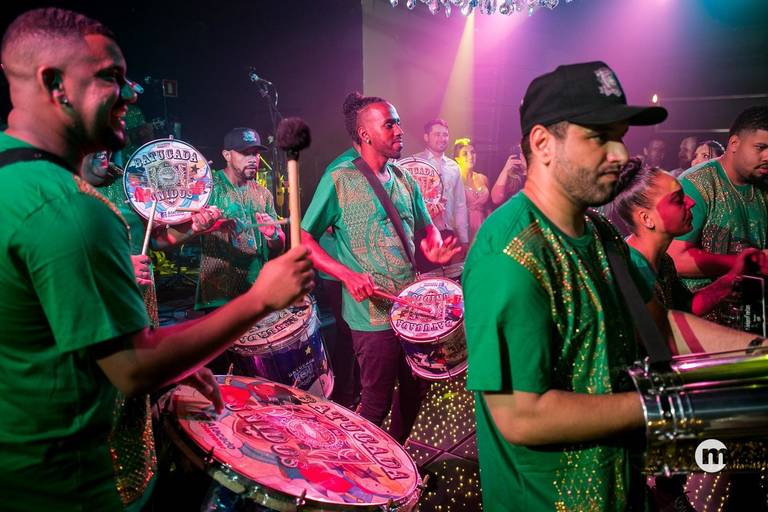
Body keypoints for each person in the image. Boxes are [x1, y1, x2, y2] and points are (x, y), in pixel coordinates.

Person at [0, 8, 313, 511]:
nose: (131, 94)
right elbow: (133, 368)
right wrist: (261, 299)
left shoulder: (14, 181)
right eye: (112, 77)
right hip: (77, 487)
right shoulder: (70, 209)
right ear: (54, 83)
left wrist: (176, 364)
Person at [463, 61, 761, 512]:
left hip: (621, 488)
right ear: (542, 143)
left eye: (619, 136)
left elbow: (658, 324)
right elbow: (522, 415)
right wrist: (674, 404)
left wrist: (757, 354)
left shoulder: (600, 233)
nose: (621, 154)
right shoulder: (510, 253)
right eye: (599, 137)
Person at [300, 92, 459, 444]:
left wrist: (433, 245)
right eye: (389, 124)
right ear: (365, 134)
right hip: (370, 316)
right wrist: (346, 274)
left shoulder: (404, 179)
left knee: (416, 389)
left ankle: (395, 458)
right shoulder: (339, 179)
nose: (399, 130)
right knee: (375, 401)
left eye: (398, 122)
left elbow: (427, 228)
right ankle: (363, 470)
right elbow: (304, 238)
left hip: (410, 310)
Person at [612, 163, 762, 315]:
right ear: (646, 219)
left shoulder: (663, 261)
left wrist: (732, 277)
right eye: (678, 199)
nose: (691, 202)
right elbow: (663, 326)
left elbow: (687, 307)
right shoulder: (633, 269)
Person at [668, 106, 768, 323]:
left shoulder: (763, 186)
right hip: (703, 323)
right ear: (734, 143)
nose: (767, 156)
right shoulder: (696, 184)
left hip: (752, 318)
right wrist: (744, 263)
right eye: (760, 147)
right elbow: (675, 258)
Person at [412, 118, 469, 261]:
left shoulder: (454, 167)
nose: (442, 138)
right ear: (426, 137)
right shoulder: (415, 163)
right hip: (422, 232)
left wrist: (464, 238)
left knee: (447, 273)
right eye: (437, 134)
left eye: (445, 135)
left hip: (446, 231)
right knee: (424, 274)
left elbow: (460, 205)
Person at [454, 137, 490, 243]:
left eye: (473, 152)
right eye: (465, 154)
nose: (470, 156)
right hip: (464, 228)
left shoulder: (483, 178)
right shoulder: (454, 180)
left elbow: (488, 208)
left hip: (483, 227)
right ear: (457, 158)